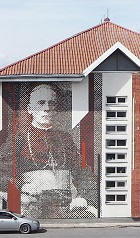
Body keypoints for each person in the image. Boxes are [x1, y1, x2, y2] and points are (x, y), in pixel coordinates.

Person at [15, 83, 97, 218]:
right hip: (33, 204)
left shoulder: (65, 139)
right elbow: (7, 175)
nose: (46, 108)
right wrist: (22, 187)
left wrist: (85, 197)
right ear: (30, 109)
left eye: (51, 103)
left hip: (67, 204)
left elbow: (82, 171)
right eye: (41, 103)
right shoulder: (19, 139)